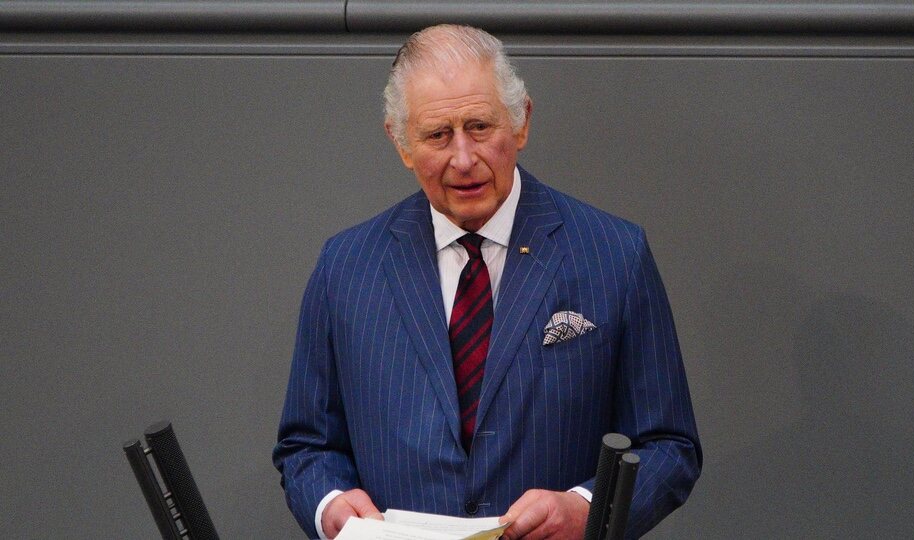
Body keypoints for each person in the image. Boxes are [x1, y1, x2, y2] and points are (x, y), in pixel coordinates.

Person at [273, 24, 701, 539]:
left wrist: (587, 509)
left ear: (521, 122)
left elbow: (668, 447)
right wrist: (330, 508)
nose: (463, 159)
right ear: (401, 142)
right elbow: (306, 447)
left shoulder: (614, 255)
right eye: (437, 135)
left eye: (479, 127)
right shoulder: (345, 267)